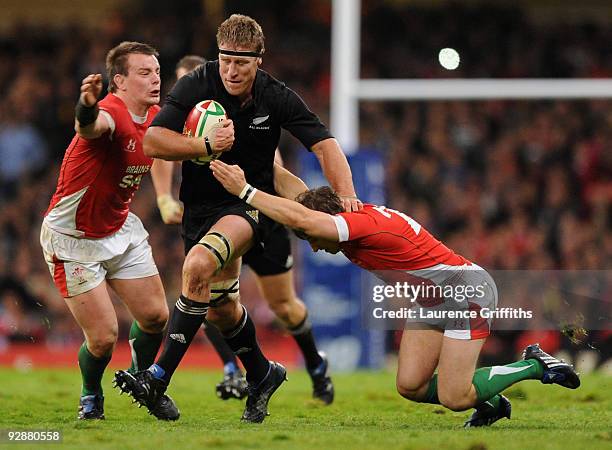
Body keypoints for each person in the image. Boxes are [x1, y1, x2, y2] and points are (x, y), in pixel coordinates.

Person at [114, 14, 358, 423]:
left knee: (198, 267)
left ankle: (157, 377)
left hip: (249, 206)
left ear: (259, 60)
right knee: (220, 310)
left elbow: (325, 145)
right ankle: (262, 374)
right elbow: (154, 141)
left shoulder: (276, 96)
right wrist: (203, 144)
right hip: (199, 209)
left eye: (242, 62)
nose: (231, 70)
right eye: (226, 59)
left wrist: (348, 196)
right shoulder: (198, 83)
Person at [210, 159, 582, 427]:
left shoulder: (354, 226)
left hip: (465, 292)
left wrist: (244, 190)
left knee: (454, 397)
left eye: (312, 240)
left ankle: (533, 364)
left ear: (329, 222)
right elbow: (302, 204)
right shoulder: (345, 213)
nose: (314, 247)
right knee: (411, 385)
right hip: (431, 299)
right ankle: (489, 400)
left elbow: (303, 218)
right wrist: (264, 161)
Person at [156, 54, 334, 403]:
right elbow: (157, 154)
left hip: (263, 213)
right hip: (219, 217)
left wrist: (307, 211)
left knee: (284, 307)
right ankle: (236, 370)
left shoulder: (241, 121)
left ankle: (314, 365)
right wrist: (163, 197)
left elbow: (276, 174)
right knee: (212, 296)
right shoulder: (183, 121)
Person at [40, 42, 180, 421]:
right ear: (118, 80)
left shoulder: (156, 116)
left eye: (157, 71)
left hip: (119, 229)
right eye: (144, 72)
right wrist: (85, 104)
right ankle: (90, 395)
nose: (155, 78)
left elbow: (169, 147)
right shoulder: (109, 111)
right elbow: (88, 125)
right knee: (102, 338)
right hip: (74, 239)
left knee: (155, 316)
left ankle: (140, 379)